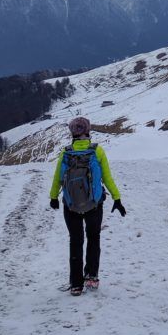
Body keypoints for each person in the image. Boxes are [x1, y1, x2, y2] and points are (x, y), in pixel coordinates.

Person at [49, 116, 126, 295]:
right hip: (94, 205)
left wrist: (53, 197)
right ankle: (91, 277)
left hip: (71, 205)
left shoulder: (66, 153)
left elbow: (58, 179)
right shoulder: (97, 151)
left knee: (75, 241)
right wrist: (117, 198)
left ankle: (76, 284)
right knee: (93, 238)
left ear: (72, 132)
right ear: (87, 131)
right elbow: (107, 178)